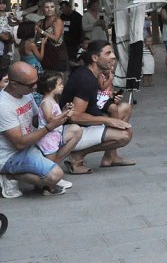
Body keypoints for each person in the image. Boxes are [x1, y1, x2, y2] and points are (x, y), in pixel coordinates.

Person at [0, 62, 74, 197]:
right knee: (54, 176)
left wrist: (59, 115)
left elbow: (35, 119)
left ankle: (45, 169)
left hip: (32, 141)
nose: (35, 87)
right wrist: (49, 127)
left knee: (75, 131)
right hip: (11, 154)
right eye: (31, 85)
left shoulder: (25, 93)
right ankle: (9, 175)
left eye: (36, 81)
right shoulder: (3, 106)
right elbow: (19, 143)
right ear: (14, 84)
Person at [60, 40, 134, 174]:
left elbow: (92, 103)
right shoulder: (86, 80)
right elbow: (75, 116)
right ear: (95, 58)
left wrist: (111, 101)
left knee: (125, 108)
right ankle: (77, 156)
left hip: (83, 123)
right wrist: (108, 120)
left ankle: (110, 157)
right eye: (108, 53)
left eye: (112, 52)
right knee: (125, 135)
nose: (113, 56)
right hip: (70, 130)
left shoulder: (93, 74)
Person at [37, 73, 83, 176]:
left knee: (50, 164)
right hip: (48, 139)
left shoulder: (52, 100)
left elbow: (55, 116)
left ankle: (49, 183)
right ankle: (47, 185)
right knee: (49, 165)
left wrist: (64, 111)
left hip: (54, 136)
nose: (62, 86)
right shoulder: (46, 103)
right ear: (50, 87)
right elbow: (51, 120)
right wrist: (65, 115)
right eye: (60, 84)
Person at [36, 0, 69, 75]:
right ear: (42, 9)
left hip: (58, 55)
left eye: (52, 7)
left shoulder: (57, 21)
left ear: (55, 9)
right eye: (47, 7)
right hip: (47, 54)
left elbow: (56, 38)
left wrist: (41, 31)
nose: (49, 9)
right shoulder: (42, 21)